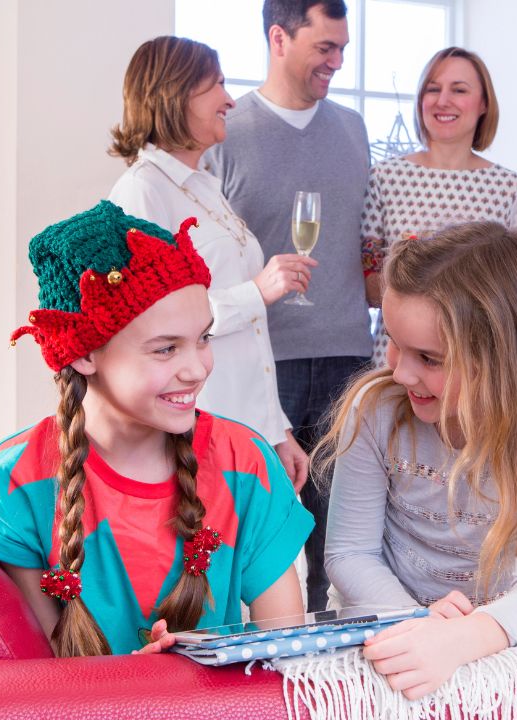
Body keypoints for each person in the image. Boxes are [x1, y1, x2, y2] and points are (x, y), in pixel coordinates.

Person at [0, 200, 313, 657]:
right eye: (165, 349)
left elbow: (286, 654)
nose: (197, 369)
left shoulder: (246, 462)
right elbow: (35, 674)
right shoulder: (13, 483)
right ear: (85, 354)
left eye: (204, 338)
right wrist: (137, 683)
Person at [320, 223, 517, 700]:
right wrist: (417, 624)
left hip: (492, 649)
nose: (401, 372)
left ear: (504, 359)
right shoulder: (375, 411)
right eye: (393, 340)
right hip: (381, 633)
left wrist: (457, 640)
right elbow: (349, 555)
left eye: (429, 358)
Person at [203, 0, 372, 613]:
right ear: (279, 38)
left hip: (348, 357)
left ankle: (332, 657)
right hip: (260, 364)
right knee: (254, 528)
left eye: (343, 48)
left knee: (341, 536)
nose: (337, 61)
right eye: (325, 48)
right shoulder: (228, 131)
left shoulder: (353, 129)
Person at [107, 36, 314, 490]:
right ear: (175, 94)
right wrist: (257, 293)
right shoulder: (142, 191)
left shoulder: (205, 186)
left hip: (247, 426)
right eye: (217, 85)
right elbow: (147, 324)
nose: (230, 100)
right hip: (196, 425)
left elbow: (249, 340)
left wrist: (276, 430)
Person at [360, 46, 517, 365]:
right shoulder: (384, 178)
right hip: (396, 360)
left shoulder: (510, 187)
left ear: (484, 103)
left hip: (477, 362)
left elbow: (514, 291)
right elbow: (371, 289)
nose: (443, 100)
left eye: (459, 90)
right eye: (433, 89)